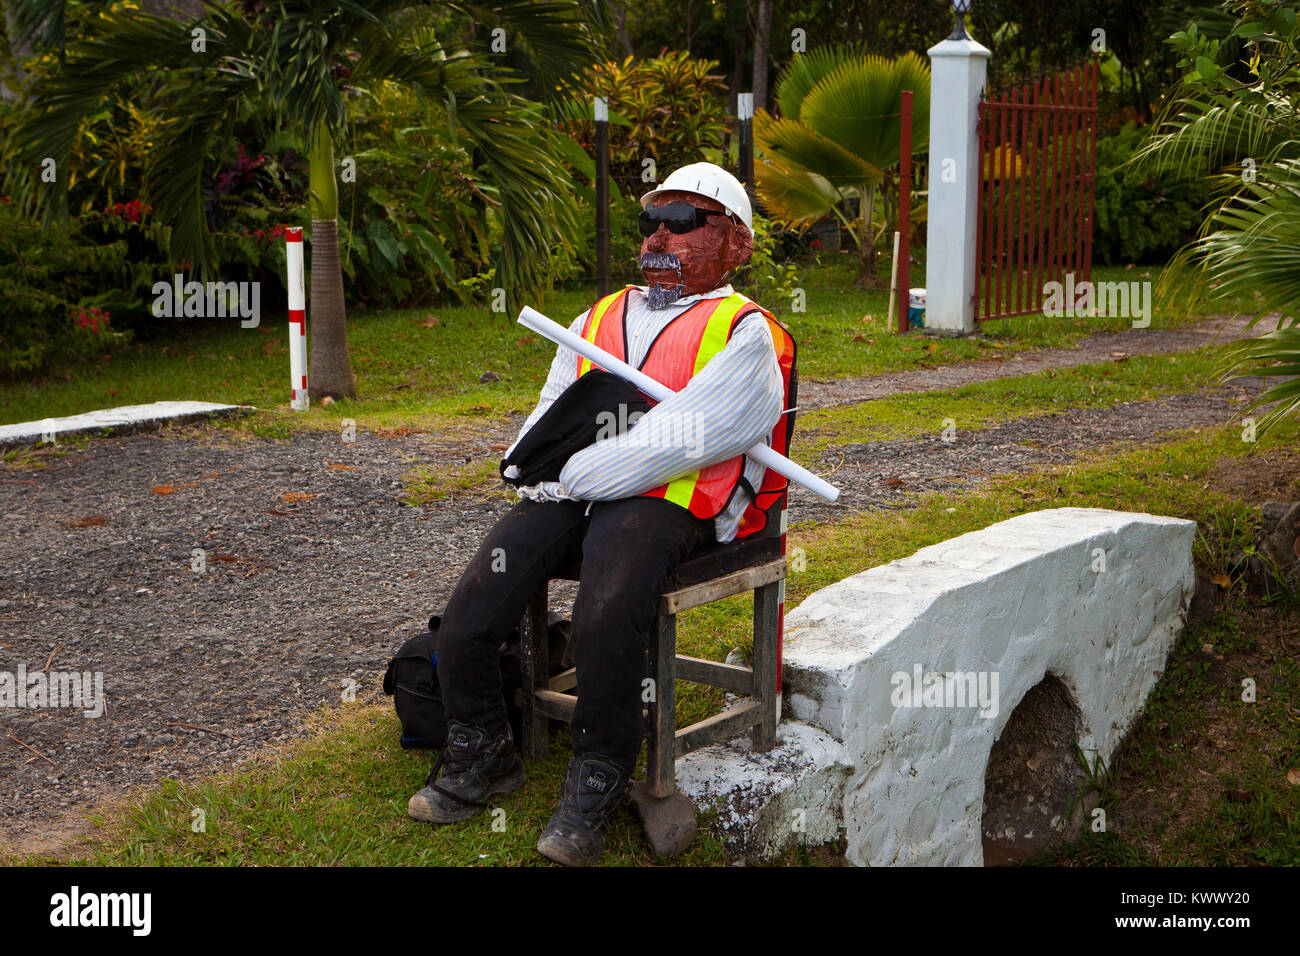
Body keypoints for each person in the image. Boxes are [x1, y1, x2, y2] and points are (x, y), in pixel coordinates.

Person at [408, 162, 787, 866]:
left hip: (671, 498)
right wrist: (533, 469)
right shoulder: (599, 316)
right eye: (653, 220)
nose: (659, 236)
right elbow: (554, 409)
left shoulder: (747, 333)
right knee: (476, 602)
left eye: (684, 221)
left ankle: (601, 770)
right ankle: (483, 743)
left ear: (738, 244)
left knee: (606, 613)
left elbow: (689, 437)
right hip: (574, 492)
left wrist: (573, 472)